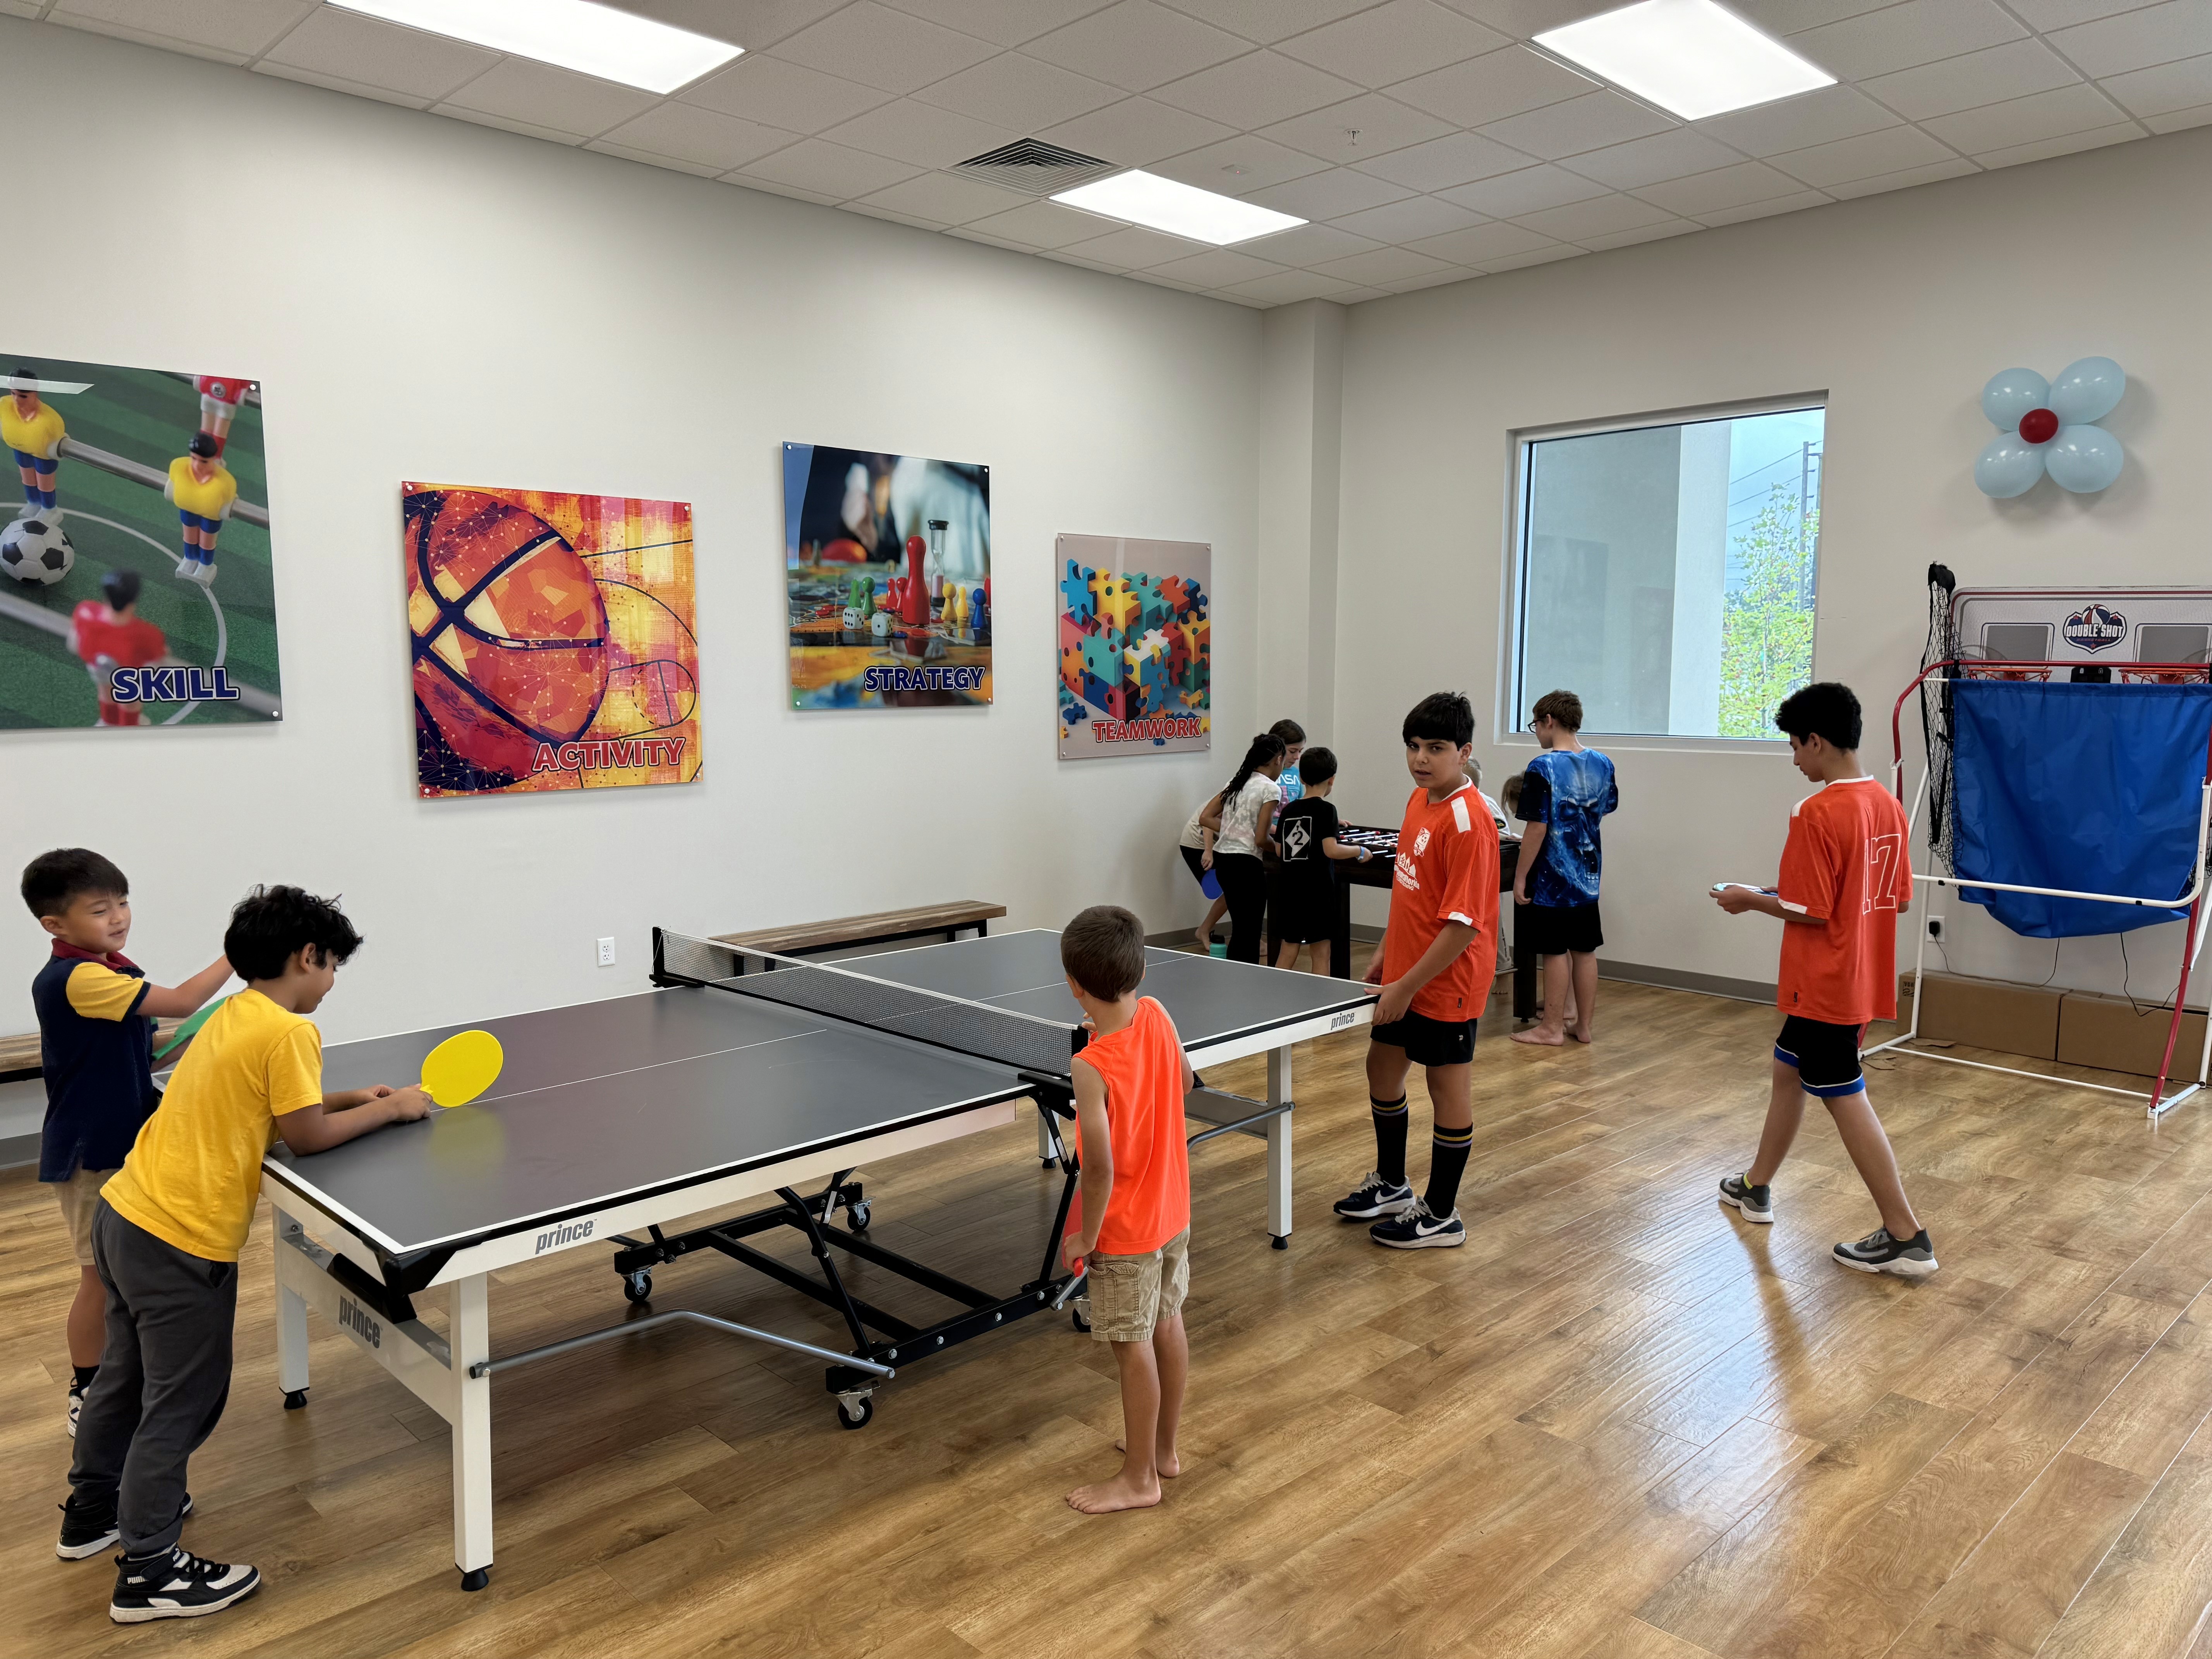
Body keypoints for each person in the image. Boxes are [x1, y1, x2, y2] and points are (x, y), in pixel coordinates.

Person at [58, 886, 431, 1621]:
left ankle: (93, 1511)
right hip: (181, 1236)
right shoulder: (292, 1031)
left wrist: (352, 1095)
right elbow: (306, 1136)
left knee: (124, 1377)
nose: (331, 981)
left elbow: (267, 1105)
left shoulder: (236, 1010)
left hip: (127, 1213)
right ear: (308, 956)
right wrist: (392, 1107)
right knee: (184, 1397)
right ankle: (150, 1568)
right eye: (333, 967)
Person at [1714, 682, 1936, 1279]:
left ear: (1817, 741)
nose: (1794, 760)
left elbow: (1809, 909)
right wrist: (1776, 894)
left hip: (1825, 982)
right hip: (1861, 978)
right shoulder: (1887, 804)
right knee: (1787, 1069)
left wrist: (1747, 900)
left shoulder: (1816, 812)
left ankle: (1906, 1235)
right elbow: (1896, 901)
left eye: (1794, 747)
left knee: (1845, 1098)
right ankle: (1757, 1185)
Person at [22, 850, 231, 1441]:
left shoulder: (109, 965)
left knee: (124, 1276)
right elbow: (183, 1001)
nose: (118, 917)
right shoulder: (81, 978)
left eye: (122, 902)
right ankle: (86, 1388)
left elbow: (151, 1048)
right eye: (100, 909)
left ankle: (121, 1374)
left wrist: (205, 1035)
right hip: (94, 1152)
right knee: (99, 1278)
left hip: (128, 1142)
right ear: (54, 925)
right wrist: (240, 955)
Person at [1335, 692, 1499, 1249]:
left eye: (1436, 748)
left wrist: (1408, 984)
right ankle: (1393, 1183)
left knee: (1445, 1085)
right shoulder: (1418, 800)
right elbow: (1412, 891)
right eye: (1413, 746)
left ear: (1465, 752)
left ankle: (1442, 1214)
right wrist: (1387, 952)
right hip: (1405, 972)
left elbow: (1462, 926)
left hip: (1447, 982)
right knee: (1382, 1070)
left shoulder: (1469, 822)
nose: (1421, 758)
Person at [1057, 905, 1194, 1514]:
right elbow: (1187, 1081)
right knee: (1167, 1322)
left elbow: (1100, 1167)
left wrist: (1086, 1235)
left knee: (1131, 1344)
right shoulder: (1160, 1013)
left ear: (1076, 986)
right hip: (1173, 1214)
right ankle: (1162, 1451)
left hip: (1127, 1228)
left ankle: (1140, 1480)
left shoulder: (1090, 1067)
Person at [1510, 690, 1618, 1048]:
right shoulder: (1603, 763)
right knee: (1585, 951)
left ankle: (1552, 1027)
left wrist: (1522, 875)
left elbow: (1537, 827)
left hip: (1554, 878)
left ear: (1549, 722)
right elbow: (1606, 808)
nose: (1537, 733)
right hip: (1589, 876)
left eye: (1535, 725)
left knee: (1555, 952)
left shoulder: (1542, 768)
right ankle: (1582, 1026)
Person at [1270, 746, 1372, 974]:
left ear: (1302, 778)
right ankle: (1321, 1004)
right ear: (1332, 780)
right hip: (1318, 894)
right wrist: (1359, 850)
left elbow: (1279, 850)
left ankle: (1271, 997)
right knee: (1321, 954)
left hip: (1290, 892)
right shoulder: (1327, 810)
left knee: (1288, 951)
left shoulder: (1289, 810)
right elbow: (1331, 850)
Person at [1200, 733, 1285, 964]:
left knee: (1240, 928)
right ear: (1278, 760)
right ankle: (1246, 985)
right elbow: (1261, 839)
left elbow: (1205, 817)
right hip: (1246, 864)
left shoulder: (1237, 782)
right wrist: (1278, 848)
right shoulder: (1271, 789)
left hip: (1224, 860)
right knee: (1250, 932)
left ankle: (1233, 982)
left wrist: (1234, 828)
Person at [69, 570, 168, 728]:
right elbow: (155, 666)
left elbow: (74, 644)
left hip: (98, 666)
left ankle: (108, 722)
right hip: (128, 675)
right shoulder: (148, 634)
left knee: (105, 691)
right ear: (134, 598)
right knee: (131, 701)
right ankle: (128, 728)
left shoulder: (85, 611)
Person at [163, 432, 236, 587]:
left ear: (213, 460)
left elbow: (229, 501)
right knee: (189, 537)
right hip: (188, 510)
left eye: (204, 461)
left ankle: (205, 564)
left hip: (211, 516)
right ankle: (190, 558)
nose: (197, 465)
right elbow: (172, 484)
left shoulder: (225, 482)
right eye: (194, 459)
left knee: (207, 542)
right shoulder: (179, 467)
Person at [5, 364, 65, 517]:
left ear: (35, 394)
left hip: (43, 454)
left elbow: (57, 438)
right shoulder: (4, 406)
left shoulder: (50, 420)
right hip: (20, 448)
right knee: (28, 479)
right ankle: (33, 503)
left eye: (23, 396)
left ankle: (49, 509)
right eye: (14, 394)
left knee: (45, 482)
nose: (17, 400)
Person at [1178, 788, 1228, 952]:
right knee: (1235, 888)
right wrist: (1208, 851)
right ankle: (1204, 930)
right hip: (1196, 844)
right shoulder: (1235, 791)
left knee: (1236, 889)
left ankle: (1204, 930)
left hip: (1218, 844)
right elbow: (1208, 818)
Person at [1270, 718, 1307, 803]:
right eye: (1292, 751)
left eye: (1300, 751)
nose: (1297, 757)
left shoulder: (1297, 774)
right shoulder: (1263, 773)